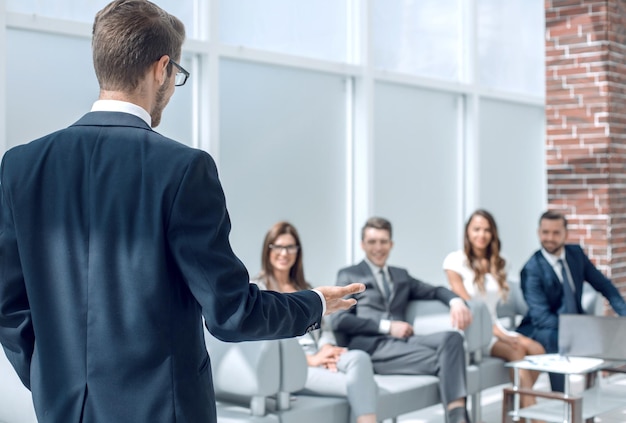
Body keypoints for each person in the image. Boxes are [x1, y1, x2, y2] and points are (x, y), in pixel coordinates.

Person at [0, 2, 363, 423]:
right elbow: (231, 313)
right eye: (178, 77)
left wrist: (50, 377)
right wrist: (314, 303)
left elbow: (9, 305)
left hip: (61, 409)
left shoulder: (21, 166)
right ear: (163, 69)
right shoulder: (183, 168)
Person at [332, 217, 474, 423]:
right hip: (372, 347)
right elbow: (339, 320)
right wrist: (387, 327)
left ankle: (457, 416)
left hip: (404, 342)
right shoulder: (349, 275)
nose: (378, 248)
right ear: (363, 245)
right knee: (450, 362)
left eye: (383, 241)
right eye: (372, 242)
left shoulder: (400, 275)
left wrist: (456, 302)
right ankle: (459, 418)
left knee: (452, 339)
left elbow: (434, 290)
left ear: (391, 244)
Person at [251, 221, 378, 423]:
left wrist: (327, 349)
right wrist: (311, 360)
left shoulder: (306, 287)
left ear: (298, 251)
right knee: (365, 387)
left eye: (290, 247)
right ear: (268, 250)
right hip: (295, 367)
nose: (284, 253)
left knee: (359, 358)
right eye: (278, 246)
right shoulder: (257, 290)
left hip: (320, 354)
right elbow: (263, 341)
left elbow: (324, 326)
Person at [443, 209, 545, 410]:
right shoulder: (454, 261)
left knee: (537, 350)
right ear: (467, 232)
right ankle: (534, 416)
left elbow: (492, 308)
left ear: (493, 233)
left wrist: (501, 333)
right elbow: (473, 308)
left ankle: (518, 411)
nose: (482, 235)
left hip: (495, 327)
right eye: (476, 229)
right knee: (517, 351)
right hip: (473, 330)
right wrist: (502, 335)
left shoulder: (500, 262)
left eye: (487, 230)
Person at [517, 210, 626, 392]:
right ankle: (561, 397)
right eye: (545, 232)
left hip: (577, 323)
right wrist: (575, 332)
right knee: (555, 338)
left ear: (566, 234)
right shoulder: (531, 269)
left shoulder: (575, 255)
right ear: (538, 233)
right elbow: (541, 317)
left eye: (556, 233)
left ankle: (593, 394)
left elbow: (604, 286)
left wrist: (624, 314)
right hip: (542, 328)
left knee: (610, 335)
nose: (550, 238)